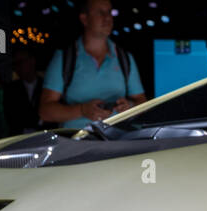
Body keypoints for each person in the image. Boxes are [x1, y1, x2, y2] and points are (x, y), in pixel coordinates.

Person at [39, 0, 146, 130]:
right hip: (76, 145)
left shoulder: (125, 58)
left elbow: (142, 102)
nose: (107, 17)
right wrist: (82, 110)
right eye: (100, 12)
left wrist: (129, 106)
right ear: (84, 19)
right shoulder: (65, 58)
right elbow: (45, 111)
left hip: (118, 143)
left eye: (109, 12)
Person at [3, 47, 43, 135]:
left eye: (21, 62)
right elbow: (13, 119)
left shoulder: (46, 86)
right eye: (15, 64)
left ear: (32, 61)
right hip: (19, 139)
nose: (18, 67)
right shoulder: (11, 90)